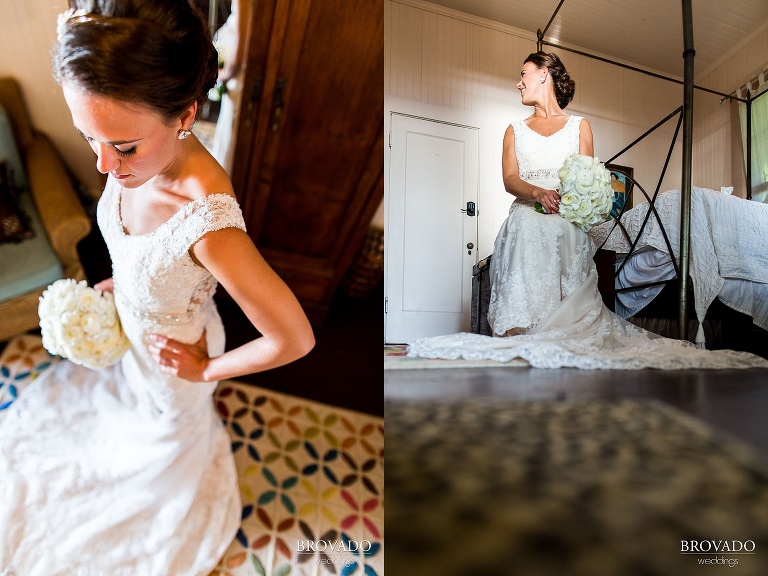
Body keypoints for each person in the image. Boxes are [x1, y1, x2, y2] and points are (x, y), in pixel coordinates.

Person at [0, 1, 315, 574]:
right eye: (86, 135)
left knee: (159, 458)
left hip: (176, 367)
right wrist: (126, 281)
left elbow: (294, 338)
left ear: (185, 113)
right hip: (135, 342)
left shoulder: (208, 222)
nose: (103, 166)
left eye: (123, 147)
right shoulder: (130, 155)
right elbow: (141, 248)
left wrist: (203, 371)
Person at [407, 51, 767, 370]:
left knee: (564, 230)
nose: (519, 83)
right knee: (525, 225)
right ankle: (520, 329)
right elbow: (509, 179)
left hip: (565, 216)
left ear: (544, 73)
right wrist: (536, 193)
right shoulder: (514, 130)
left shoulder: (580, 126)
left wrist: (574, 203)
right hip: (527, 208)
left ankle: (561, 328)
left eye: (524, 74)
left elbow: (592, 177)